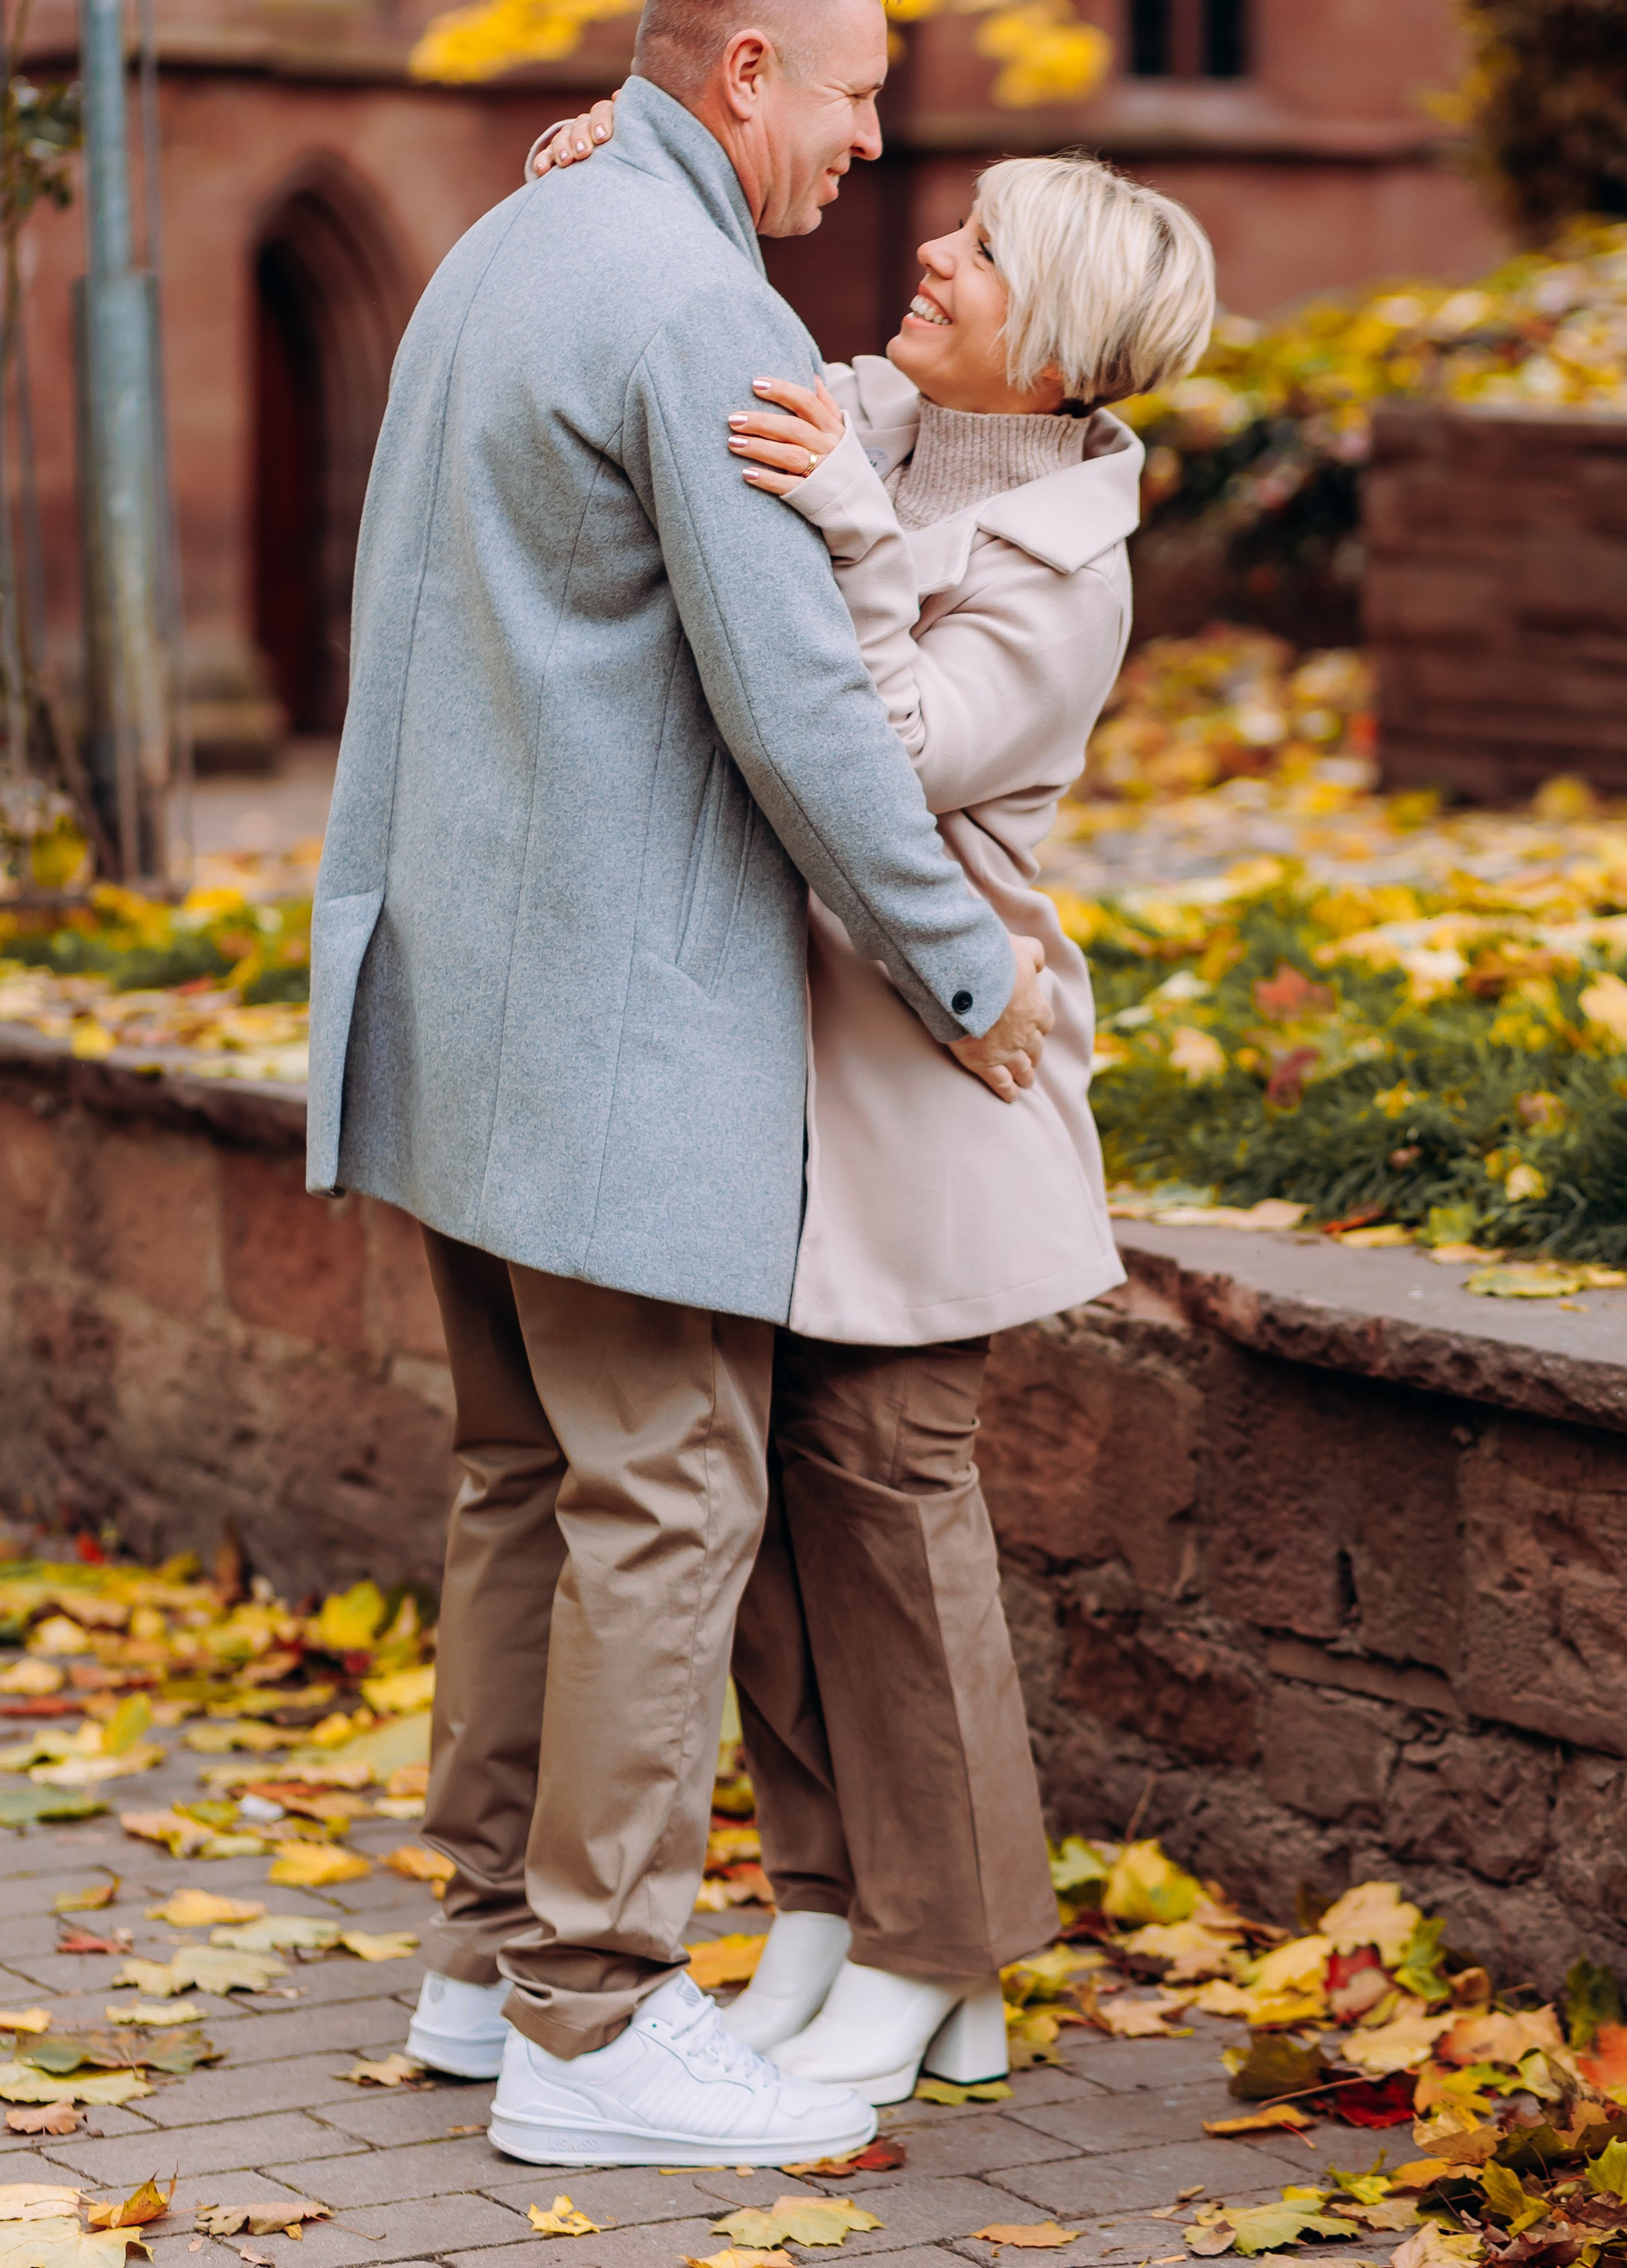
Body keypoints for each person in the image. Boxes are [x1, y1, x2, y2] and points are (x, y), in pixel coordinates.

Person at [306, 0, 1057, 2170]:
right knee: (672, 1490)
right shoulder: (690, 297)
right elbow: (806, 712)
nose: (872, 141)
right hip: (610, 1020)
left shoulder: (501, 247)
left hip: (442, 981)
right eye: (852, 94)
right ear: (743, 73)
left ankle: (480, 1968)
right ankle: (601, 2025)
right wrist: (967, 960)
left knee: (527, 1478)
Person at [535, 107, 1215, 2100]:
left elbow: (891, 752)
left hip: (939, 1072)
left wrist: (841, 526)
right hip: (786, 1057)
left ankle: (944, 1941)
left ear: (1065, 355)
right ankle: (838, 1909)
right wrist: (616, 155)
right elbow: (688, 332)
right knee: (773, 1515)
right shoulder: (883, 414)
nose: (931, 254)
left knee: (896, 1508)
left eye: (984, 255)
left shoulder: (1068, 562)